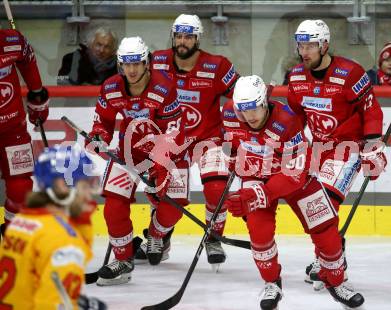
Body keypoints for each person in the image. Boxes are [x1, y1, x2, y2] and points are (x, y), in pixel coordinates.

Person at [222, 75, 365, 310]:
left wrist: (259, 194)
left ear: (265, 102)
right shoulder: (229, 113)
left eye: (255, 109)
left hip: (295, 177)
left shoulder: (287, 120)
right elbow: (230, 143)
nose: (250, 117)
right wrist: (232, 161)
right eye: (243, 111)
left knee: (325, 226)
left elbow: (294, 174)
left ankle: (337, 282)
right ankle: (272, 283)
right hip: (255, 176)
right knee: (259, 233)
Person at [287, 19, 387, 293]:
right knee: (312, 205)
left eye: (310, 45)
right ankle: (328, 254)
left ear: (325, 45)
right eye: (301, 45)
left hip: (348, 148)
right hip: (318, 148)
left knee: (325, 202)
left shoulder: (350, 72)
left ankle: (328, 260)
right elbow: (295, 116)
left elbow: (371, 110)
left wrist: (374, 146)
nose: (304, 51)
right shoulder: (296, 76)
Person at [135, 14, 239, 268]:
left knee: (216, 189)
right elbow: (135, 88)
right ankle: (159, 237)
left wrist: (240, 132)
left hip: (207, 139)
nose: (182, 42)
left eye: (189, 36)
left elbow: (242, 96)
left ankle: (213, 237)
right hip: (171, 142)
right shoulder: (156, 61)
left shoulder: (218, 66)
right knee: (168, 198)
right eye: (179, 36)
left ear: (198, 38)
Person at [87, 36, 187, 286]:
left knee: (174, 203)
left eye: (137, 63)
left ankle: (156, 235)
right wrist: (99, 136)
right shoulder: (111, 87)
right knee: (113, 206)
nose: (131, 70)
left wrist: (160, 167)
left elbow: (174, 133)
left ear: (147, 63)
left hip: (166, 153)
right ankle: (123, 260)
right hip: (129, 154)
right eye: (126, 64)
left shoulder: (164, 87)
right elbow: (103, 121)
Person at [0, 145, 106, 310]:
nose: (89, 194)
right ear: (62, 187)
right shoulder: (65, 241)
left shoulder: (22, 221)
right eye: (85, 186)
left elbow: (29, 278)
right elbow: (50, 305)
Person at [0, 29, 49, 236]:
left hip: (13, 126)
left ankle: (12, 227)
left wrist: (37, 95)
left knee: (20, 186)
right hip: (12, 124)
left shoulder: (12, 41)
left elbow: (28, 61)